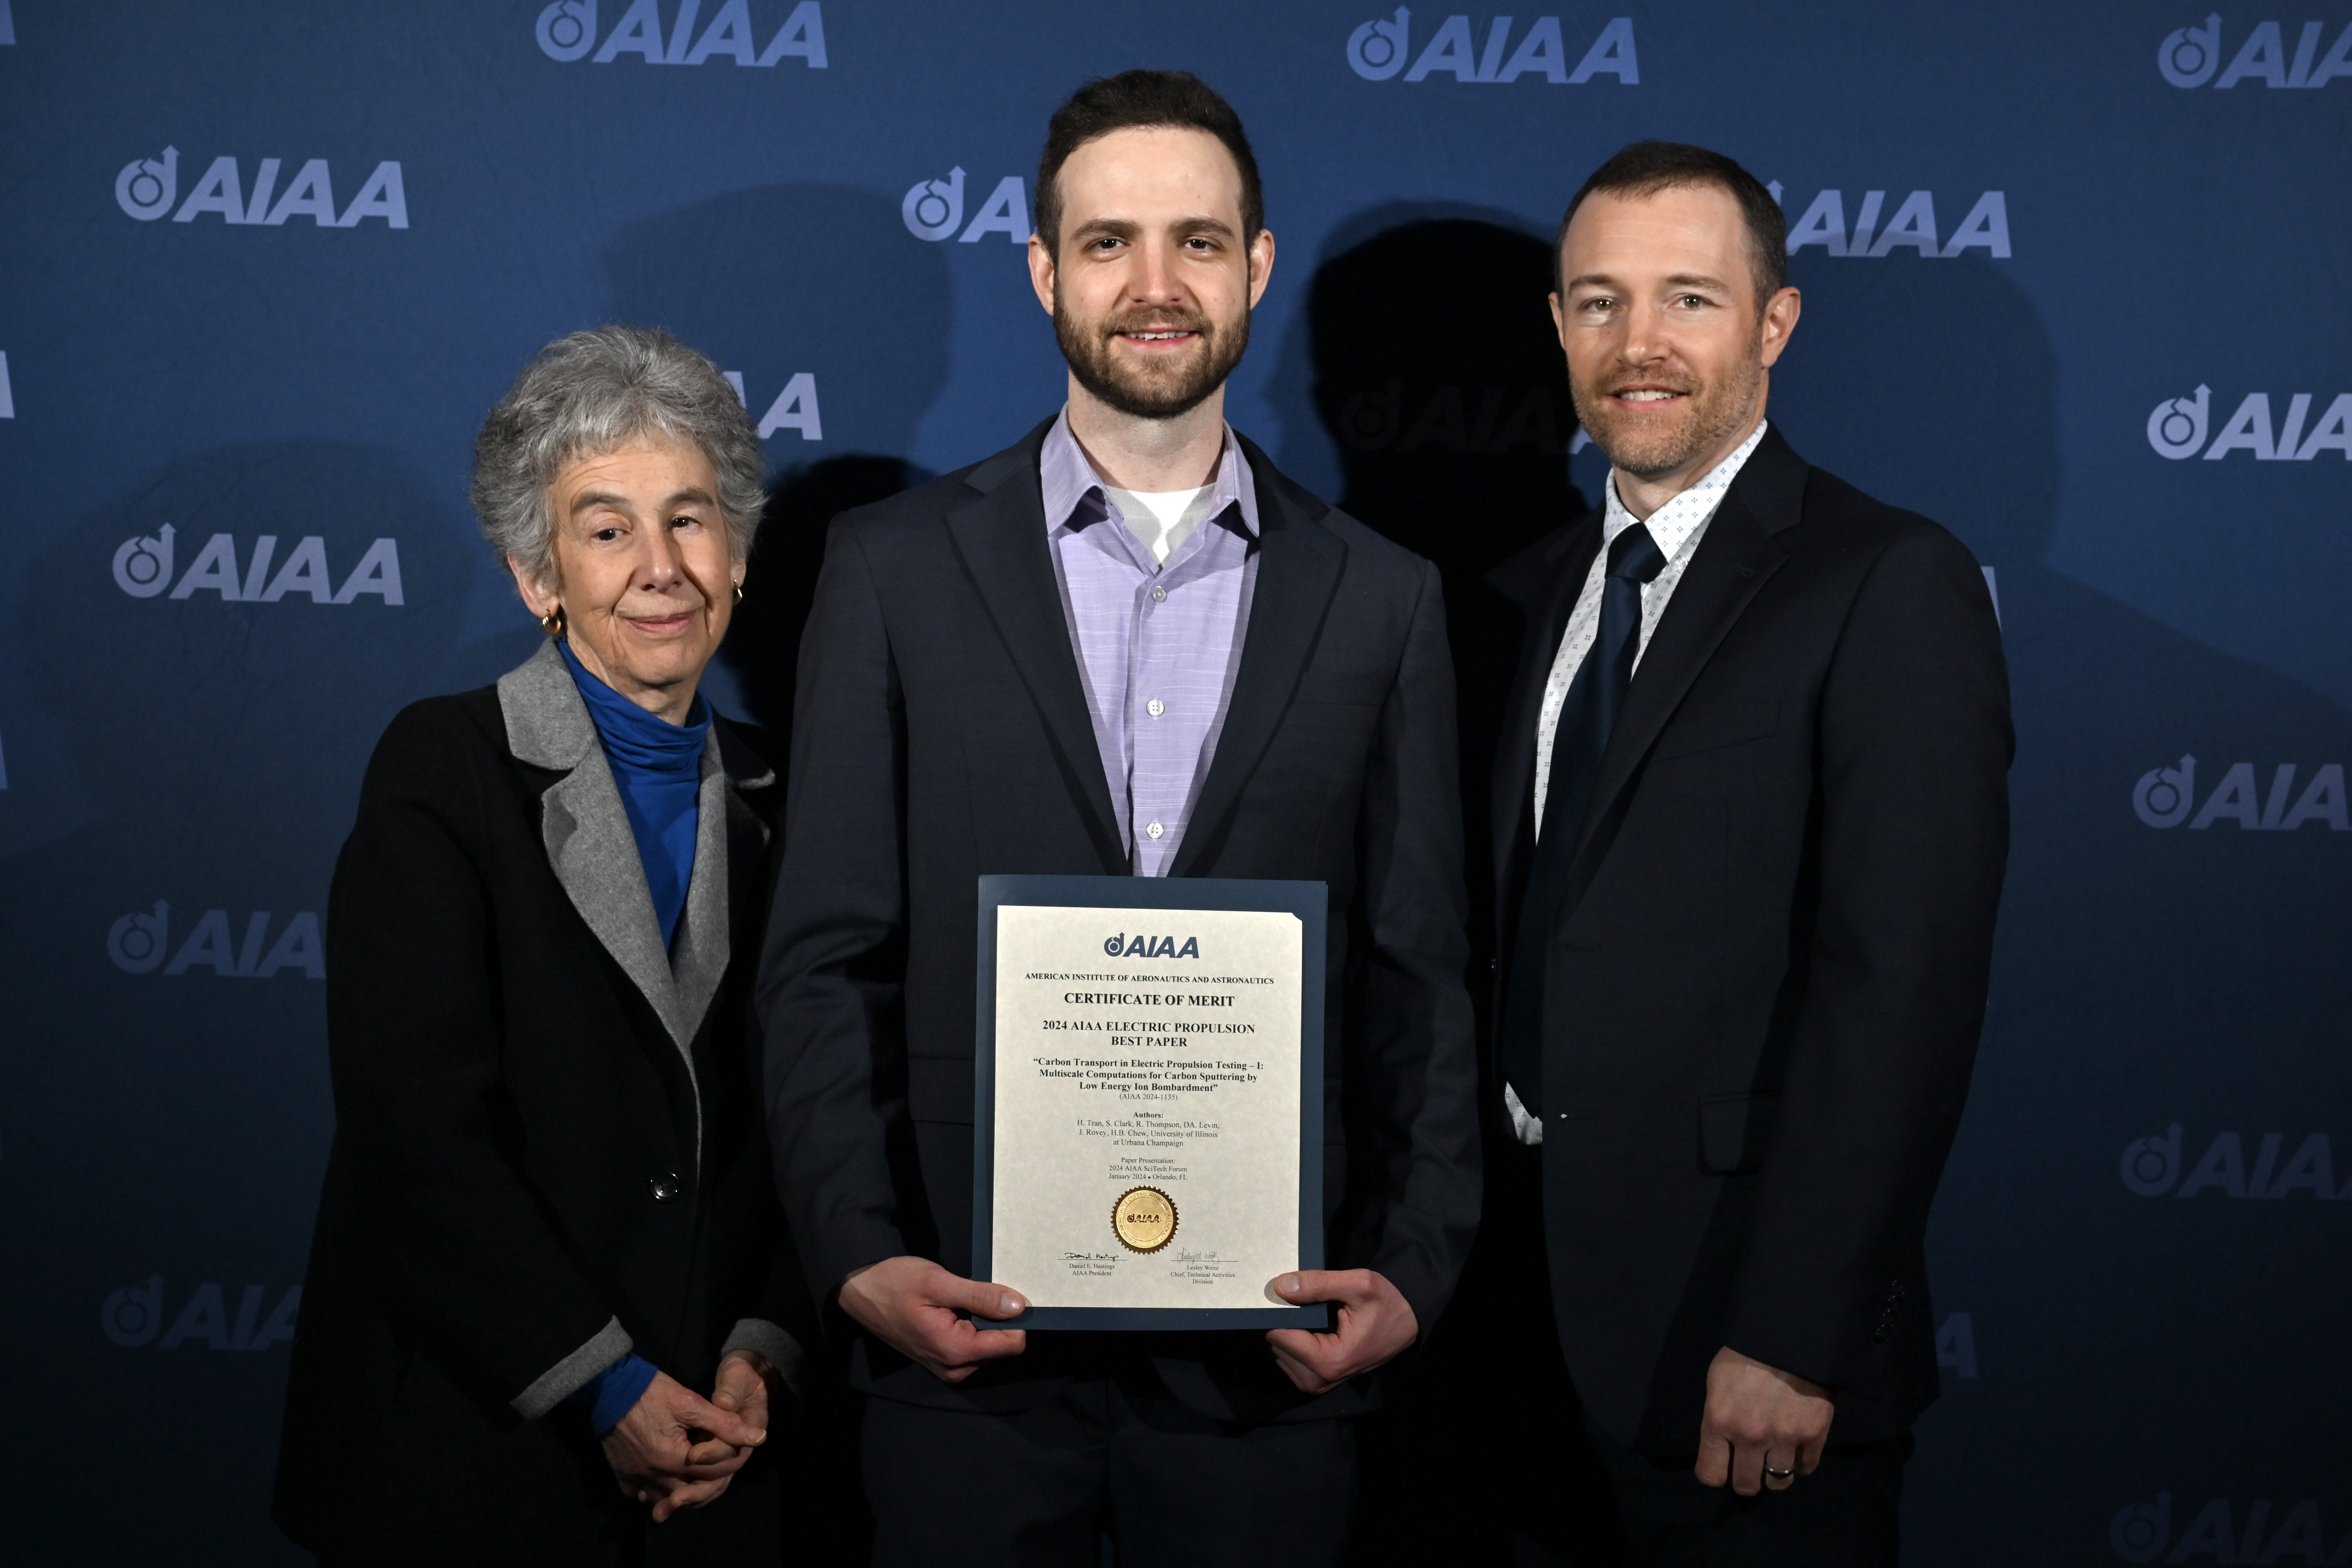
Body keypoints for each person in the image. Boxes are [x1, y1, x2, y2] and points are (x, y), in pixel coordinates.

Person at [756, 70, 1480, 1568]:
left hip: (1270, 1366)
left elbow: (1421, 974)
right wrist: (858, 1255)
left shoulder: (1385, 598)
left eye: (1199, 243)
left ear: (1258, 266)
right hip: (963, 1351)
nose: (1155, 286)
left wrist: (1413, 1269)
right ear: (1042, 270)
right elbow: (824, 952)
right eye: (1108, 244)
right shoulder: (890, 571)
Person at [1475, 142, 2011, 1564]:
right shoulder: (1530, 595)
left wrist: (1795, 1334)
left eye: (1689, 301)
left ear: (1774, 323)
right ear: (1558, 326)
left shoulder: (1888, 580)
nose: (1637, 345)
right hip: (1509, 1332)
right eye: (1599, 302)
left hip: (1740, 1351)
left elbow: (1899, 990)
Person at [274, 326, 818, 1565]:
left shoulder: (795, 800)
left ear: (736, 550)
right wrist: (604, 1386)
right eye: (607, 527)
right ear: (538, 575)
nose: (660, 566)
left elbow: (816, 1120)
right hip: (482, 1442)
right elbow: (415, 1131)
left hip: (720, 1456)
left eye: (690, 518)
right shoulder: (443, 769)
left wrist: (762, 1351)